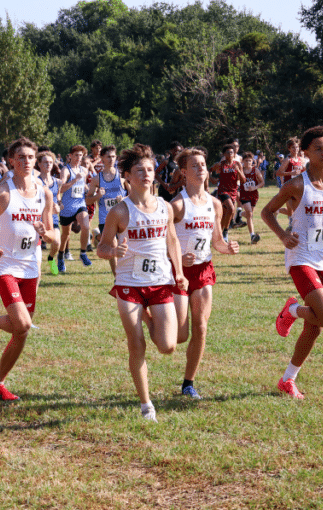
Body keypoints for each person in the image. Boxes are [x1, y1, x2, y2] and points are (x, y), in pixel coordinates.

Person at [260, 126, 323, 399]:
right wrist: (283, 235)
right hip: (301, 257)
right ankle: (291, 309)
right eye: (318, 149)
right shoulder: (297, 185)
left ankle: (287, 380)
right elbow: (267, 212)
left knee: (314, 328)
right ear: (306, 153)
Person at [97, 143, 187, 420]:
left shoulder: (165, 207)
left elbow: (172, 240)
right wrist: (113, 252)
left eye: (150, 169)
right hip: (129, 285)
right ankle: (146, 405)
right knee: (136, 344)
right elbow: (101, 248)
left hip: (160, 282)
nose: (147, 174)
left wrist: (179, 272)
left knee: (168, 346)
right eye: (140, 170)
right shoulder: (120, 212)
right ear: (127, 176)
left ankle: (148, 318)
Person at [0, 137, 55, 401]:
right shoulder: (0, 192)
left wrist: (45, 232)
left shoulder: (44, 193)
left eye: (30, 157)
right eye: (21, 157)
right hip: (4, 264)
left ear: (36, 160)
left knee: (21, 331)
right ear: (12, 161)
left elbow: (52, 236)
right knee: (23, 322)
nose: (26, 161)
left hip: (30, 265)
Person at [170, 148, 239, 399]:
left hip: (203, 270)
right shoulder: (177, 205)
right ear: (184, 172)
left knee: (200, 328)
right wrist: (178, 259)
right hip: (178, 273)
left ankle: (188, 383)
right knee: (180, 336)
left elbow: (216, 240)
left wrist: (227, 248)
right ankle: (149, 314)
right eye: (195, 165)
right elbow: (163, 244)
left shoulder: (215, 204)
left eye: (203, 164)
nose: (201, 168)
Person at [86, 144, 127, 275]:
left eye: (113, 156)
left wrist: (124, 199)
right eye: (108, 157)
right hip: (106, 219)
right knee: (113, 245)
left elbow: (134, 196)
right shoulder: (96, 179)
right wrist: (97, 196)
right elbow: (87, 200)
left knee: (124, 246)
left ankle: (97, 236)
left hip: (123, 217)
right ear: (102, 158)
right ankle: (117, 277)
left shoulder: (122, 176)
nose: (111, 159)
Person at [58, 145, 92, 270]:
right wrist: (74, 180)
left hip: (80, 204)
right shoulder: (66, 170)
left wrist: (90, 190)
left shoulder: (84, 170)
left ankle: (83, 253)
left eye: (80, 155)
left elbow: (83, 186)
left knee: (86, 226)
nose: (78, 158)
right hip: (67, 206)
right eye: (76, 155)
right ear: (70, 156)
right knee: (65, 235)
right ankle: (60, 256)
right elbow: (61, 189)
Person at [210, 144, 245, 241]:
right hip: (223, 190)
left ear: (234, 154)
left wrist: (238, 171)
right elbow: (209, 170)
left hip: (233, 191)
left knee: (226, 214)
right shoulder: (220, 164)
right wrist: (212, 179)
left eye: (232, 152)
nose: (230, 154)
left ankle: (220, 235)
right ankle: (225, 231)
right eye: (228, 152)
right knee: (231, 208)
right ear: (224, 154)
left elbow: (243, 180)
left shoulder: (237, 164)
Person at [37, 151, 62, 275]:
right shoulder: (35, 182)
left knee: (56, 242)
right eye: (45, 162)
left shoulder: (57, 182)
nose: (48, 164)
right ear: (39, 164)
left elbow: (58, 199)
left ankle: (51, 259)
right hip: (37, 218)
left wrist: (59, 207)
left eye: (51, 162)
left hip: (52, 218)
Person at [239, 152, 265, 244]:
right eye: (246, 161)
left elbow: (262, 182)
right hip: (244, 194)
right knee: (249, 214)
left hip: (254, 195)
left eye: (250, 161)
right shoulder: (240, 170)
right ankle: (252, 236)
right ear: (243, 161)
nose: (248, 162)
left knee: (249, 214)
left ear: (252, 161)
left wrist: (255, 187)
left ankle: (239, 214)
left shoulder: (255, 170)